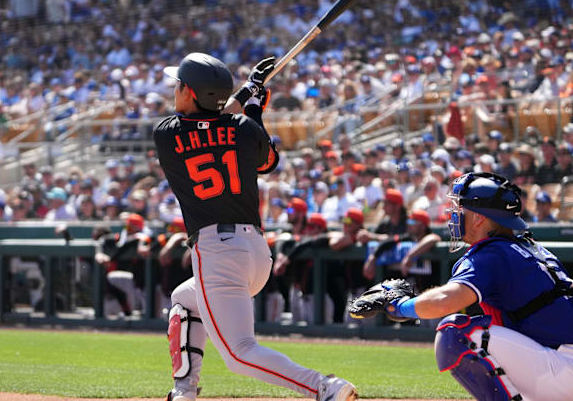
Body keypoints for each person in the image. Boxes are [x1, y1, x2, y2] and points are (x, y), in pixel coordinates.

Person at [154, 53, 356, 401]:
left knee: (239, 353)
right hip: (256, 253)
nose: (175, 90)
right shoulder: (244, 128)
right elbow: (264, 159)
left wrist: (247, 95)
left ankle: (323, 386)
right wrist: (253, 105)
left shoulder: (166, 134)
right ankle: (184, 391)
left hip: (217, 252)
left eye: (179, 85)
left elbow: (209, 124)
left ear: (189, 92)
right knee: (184, 301)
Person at [377, 172, 573, 400]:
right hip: (560, 360)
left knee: (457, 333)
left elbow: (445, 302)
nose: (454, 214)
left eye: (461, 208)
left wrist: (399, 306)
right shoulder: (529, 248)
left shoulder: (492, 252)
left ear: (479, 218)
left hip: (562, 366)